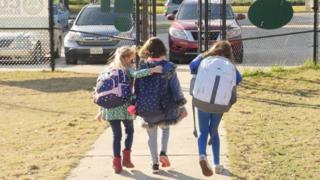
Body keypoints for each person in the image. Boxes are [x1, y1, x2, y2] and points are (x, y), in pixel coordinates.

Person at [98, 46, 163, 173]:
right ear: (126, 58)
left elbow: (103, 91)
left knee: (116, 136)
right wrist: (153, 70)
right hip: (125, 106)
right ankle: (126, 159)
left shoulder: (108, 69)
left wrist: (101, 110)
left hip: (110, 108)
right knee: (129, 131)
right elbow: (137, 74)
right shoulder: (127, 69)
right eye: (132, 58)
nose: (134, 60)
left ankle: (117, 163)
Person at [189, 40, 243, 176]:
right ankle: (217, 164)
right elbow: (238, 79)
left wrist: (203, 55)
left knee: (202, 131)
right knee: (214, 132)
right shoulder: (230, 65)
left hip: (202, 100)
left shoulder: (206, 59)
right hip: (220, 104)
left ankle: (202, 155)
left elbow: (192, 66)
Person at [137, 37, 188, 173]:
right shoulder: (168, 67)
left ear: (147, 51)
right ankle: (163, 152)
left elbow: (135, 87)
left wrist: (134, 104)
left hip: (148, 107)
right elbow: (176, 88)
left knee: (151, 135)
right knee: (165, 129)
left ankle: (154, 164)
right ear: (163, 50)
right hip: (166, 107)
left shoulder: (142, 67)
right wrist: (181, 105)